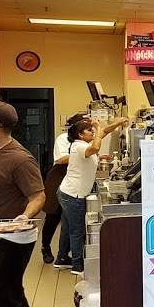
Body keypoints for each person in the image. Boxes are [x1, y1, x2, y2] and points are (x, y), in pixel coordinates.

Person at [0, 101, 45, 307]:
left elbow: (38, 196)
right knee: (10, 292)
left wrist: (24, 217)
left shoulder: (19, 159)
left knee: (1, 298)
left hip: (11, 236)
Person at [54, 116, 128, 274]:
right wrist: (98, 126)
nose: (93, 132)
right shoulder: (79, 146)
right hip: (73, 195)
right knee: (77, 231)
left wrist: (117, 123)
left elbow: (103, 133)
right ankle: (77, 265)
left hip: (67, 191)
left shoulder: (82, 144)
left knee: (68, 228)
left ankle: (62, 259)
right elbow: (95, 147)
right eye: (89, 131)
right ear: (80, 135)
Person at [39, 112, 88, 263]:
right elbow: (61, 159)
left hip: (74, 179)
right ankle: (45, 247)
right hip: (58, 177)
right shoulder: (63, 138)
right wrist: (83, 154)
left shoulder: (85, 141)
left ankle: (64, 254)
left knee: (68, 218)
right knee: (53, 215)